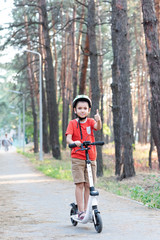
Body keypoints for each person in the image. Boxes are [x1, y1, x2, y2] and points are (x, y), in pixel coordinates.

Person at [65, 95, 102, 220]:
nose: (82, 110)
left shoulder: (91, 121)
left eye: (85, 108)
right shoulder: (72, 123)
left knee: (89, 185)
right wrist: (73, 142)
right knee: (80, 183)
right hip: (78, 157)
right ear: (75, 110)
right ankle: (80, 210)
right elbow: (68, 137)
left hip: (91, 157)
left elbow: (98, 127)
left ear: (88, 110)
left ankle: (86, 209)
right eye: (80, 108)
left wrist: (99, 120)